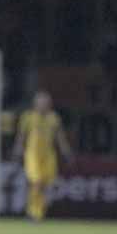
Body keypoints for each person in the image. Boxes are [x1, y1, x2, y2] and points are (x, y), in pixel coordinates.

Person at [13, 90, 73, 221]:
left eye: (45, 102)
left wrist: (66, 152)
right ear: (35, 104)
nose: (43, 105)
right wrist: (18, 150)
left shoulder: (53, 118)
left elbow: (60, 137)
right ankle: (33, 212)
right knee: (36, 182)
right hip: (32, 155)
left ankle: (38, 212)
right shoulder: (28, 117)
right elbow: (21, 136)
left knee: (44, 185)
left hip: (48, 156)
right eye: (40, 102)